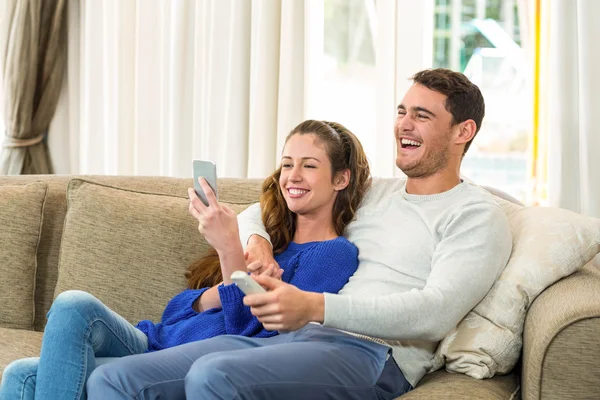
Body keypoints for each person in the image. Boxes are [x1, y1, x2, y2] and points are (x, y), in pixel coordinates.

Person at [85, 68, 513, 400]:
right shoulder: (377, 193)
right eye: (402, 112)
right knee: (115, 379)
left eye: (422, 115)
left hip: (374, 356)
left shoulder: (476, 215)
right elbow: (263, 208)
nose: (405, 125)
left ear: (463, 131)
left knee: (213, 375)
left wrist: (314, 306)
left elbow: (435, 312)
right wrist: (256, 241)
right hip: (300, 339)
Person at [0, 119, 372, 400]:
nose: (293, 175)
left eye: (309, 165)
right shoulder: (265, 240)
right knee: (46, 338)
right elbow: (176, 312)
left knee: (39, 354)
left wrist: (230, 251)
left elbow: (257, 338)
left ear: (340, 179)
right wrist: (221, 286)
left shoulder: (335, 253)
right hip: (155, 341)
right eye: (287, 163)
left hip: (183, 361)